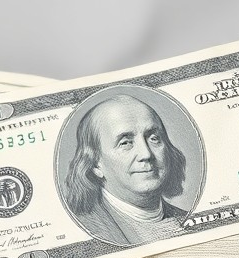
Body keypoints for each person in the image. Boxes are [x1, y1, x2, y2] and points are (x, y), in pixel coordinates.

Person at [62, 94, 188, 245]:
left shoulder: (188, 218)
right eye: (125, 143)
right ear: (95, 164)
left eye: (154, 138)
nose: (146, 154)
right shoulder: (84, 231)